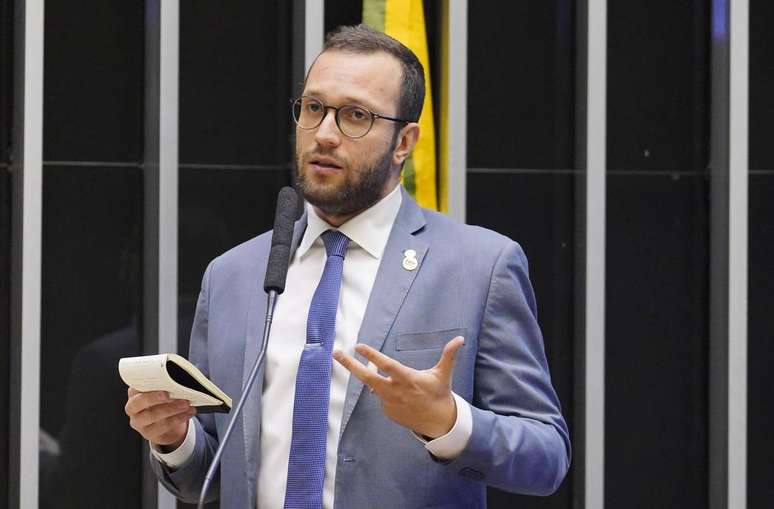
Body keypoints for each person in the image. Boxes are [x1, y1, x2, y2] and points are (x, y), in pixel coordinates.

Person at [124, 24, 570, 509]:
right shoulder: (234, 274)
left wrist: (448, 422)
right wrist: (174, 440)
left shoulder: (481, 267)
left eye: (356, 115)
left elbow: (546, 457)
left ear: (404, 141)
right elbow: (209, 478)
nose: (326, 134)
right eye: (313, 108)